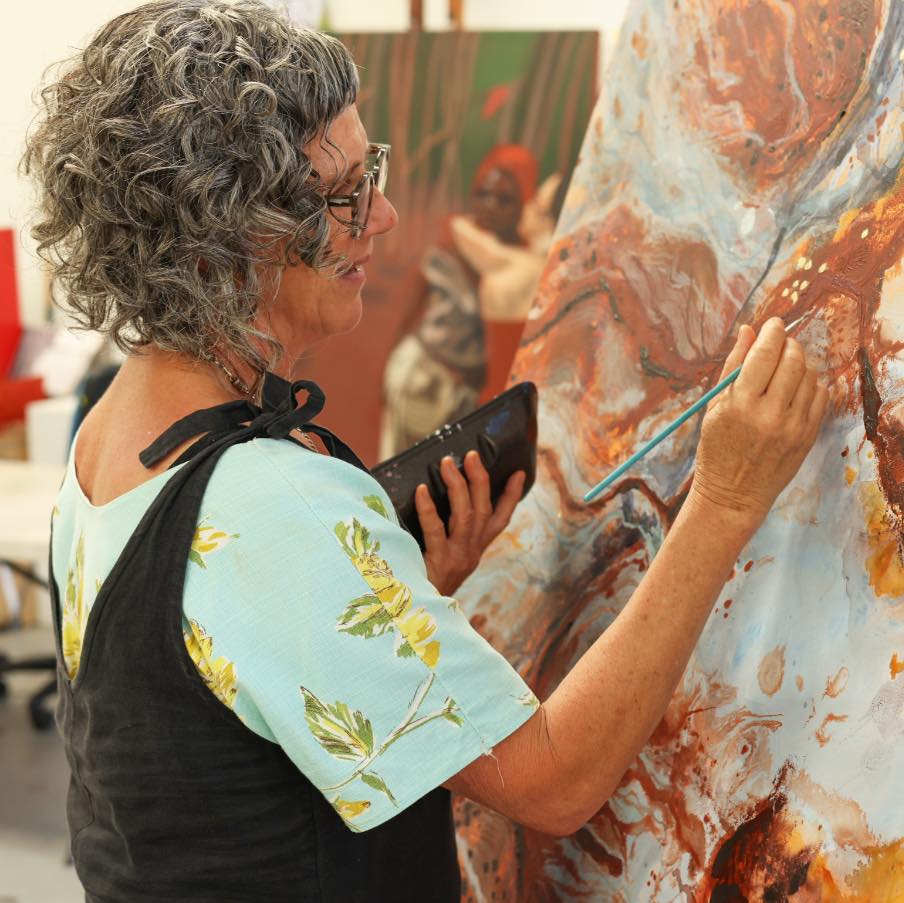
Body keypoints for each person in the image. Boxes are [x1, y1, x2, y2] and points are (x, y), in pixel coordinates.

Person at [24, 2, 827, 900]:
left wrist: (394, 600)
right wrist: (722, 500)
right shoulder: (268, 506)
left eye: (372, 171)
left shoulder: (111, 430)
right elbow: (554, 781)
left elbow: (211, 710)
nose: (387, 214)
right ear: (231, 239)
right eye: (346, 194)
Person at [379, 145, 540, 458]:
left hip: (465, 393)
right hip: (421, 377)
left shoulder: (522, 267)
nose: (491, 207)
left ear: (524, 204)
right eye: (483, 194)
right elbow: (409, 313)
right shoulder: (449, 245)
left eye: (505, 200)